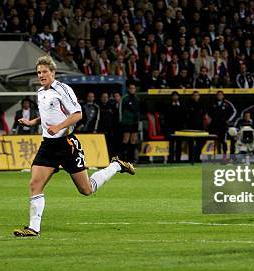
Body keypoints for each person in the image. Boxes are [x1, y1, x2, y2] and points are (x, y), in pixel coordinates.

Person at [13, 56, 135, 237]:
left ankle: (115, 166)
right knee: (35, 184)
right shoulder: (40, 92)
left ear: (53, 72)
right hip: (48, 145)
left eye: (45, 72)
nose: (41, 75)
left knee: (86, 189)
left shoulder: (63, 89)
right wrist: (33, 122)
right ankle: (33, 228)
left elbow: (77, 114)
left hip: (67, 144)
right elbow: (48, 114)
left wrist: (59, 127)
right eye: (39, 72)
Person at [208, 91, 236, 160]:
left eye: (220, 95)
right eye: (218, 95)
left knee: (224, 140)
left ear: (223, 96)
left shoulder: (227, 103)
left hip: (223, 125)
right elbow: (208, 113)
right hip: (214, 124)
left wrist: (229, 120)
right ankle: (214, 154)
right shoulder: (212, 103)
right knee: (214, 139)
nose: (219, 96)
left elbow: (234, 111)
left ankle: (225, 155)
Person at [120, 83, 140, 162]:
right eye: (131, 88)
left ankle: (131, 159)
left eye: (133, 88)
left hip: (134, 122)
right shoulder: (125, 98)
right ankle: (122, 158)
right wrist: (122, 121)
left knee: (133, 140)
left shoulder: (137, 99)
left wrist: (137, 120)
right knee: (125, 139)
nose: (132, 90)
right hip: (126, 122)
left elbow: (138, 111)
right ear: (128, 89)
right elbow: (121, 111)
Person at [164, 91, 186, 163]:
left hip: (179, 128)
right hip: (171, 128)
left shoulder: (182, 106)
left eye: (176, 96)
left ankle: (178, 159)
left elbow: (184, 117)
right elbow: (166, 118)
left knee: (179, 144)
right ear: (172, 97)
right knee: (171, 144)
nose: (175, 97)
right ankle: (170, 159)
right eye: (173, 96)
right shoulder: (168, 106)